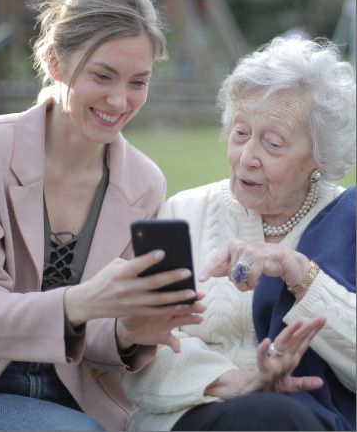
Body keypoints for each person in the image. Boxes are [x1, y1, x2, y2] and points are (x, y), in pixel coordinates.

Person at [0, 0, 206, 432]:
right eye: (103, 76)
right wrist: (80, 301)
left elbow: (99, 336)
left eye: (138, 81)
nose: (120, 101)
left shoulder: (145, 181)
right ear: (55, 62)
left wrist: (128, 331)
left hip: (84, 401)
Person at [122, 36, 356, 431]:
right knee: (271, 415)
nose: (247, 158)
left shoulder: (347, 219)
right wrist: (237, 382)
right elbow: (143, 344)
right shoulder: (184, 211)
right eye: (241, 133)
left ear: (321, 156)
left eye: (273, 143)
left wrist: (299, 273)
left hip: (315, 419)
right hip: (194, 414)